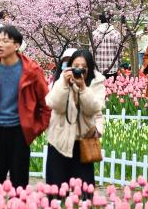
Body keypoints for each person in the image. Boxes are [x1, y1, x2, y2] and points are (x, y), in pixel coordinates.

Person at [0, 25, 51, 188]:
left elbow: (46, 104)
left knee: (19, 183)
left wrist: (35, 128)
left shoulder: (31, 69)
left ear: (16, 45)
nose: (0, 45)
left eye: (5, 41)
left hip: (20, 132)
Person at [44, 48, 105, 191]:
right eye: (76, 66)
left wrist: (83, 87)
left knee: (85, 192)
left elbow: (93, 108)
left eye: (84, 67)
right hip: (60, 140)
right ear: (70, 66)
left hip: (83, 141)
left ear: (90, 68)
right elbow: (54, 105)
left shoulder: (97, 83)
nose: (79, 70)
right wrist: (64, 84)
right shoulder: (61, 80)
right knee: (56, 191)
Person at [91, 13, 122, 79]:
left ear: (100, 20)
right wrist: (119, 62)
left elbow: (91, 51)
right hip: (112, 67)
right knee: (112, 88)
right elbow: (119, 52)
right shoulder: (116, 34)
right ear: (110, 20)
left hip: (97, 68)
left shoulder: (94, 34)